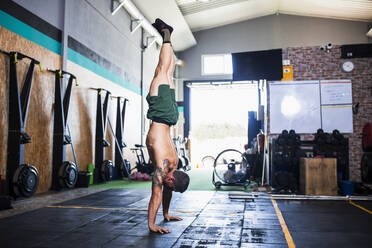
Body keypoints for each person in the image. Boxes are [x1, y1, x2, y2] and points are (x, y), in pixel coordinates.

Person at [146, 18, 190, 234]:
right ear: (171, 178)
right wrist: (152, 224)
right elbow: (156, 194)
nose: (166, 187)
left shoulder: (173, 167)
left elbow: (166, 193)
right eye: (169, 184)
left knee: (168, 73)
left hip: (169, 117)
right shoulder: (164, 167)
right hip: (162, 114)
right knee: (162, 70)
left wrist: (166, 214)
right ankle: (166, 34)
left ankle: (167, 36)